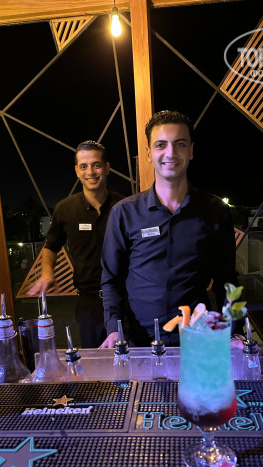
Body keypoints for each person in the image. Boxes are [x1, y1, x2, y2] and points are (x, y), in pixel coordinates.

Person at [100, 110, 239, 348]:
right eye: (161, 145)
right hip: (138, 342)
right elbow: (111, 280)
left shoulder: (215, 211)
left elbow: (227, 281)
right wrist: (114, 329)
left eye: (180, 144)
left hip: (197, 339)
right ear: (148, 153)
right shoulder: (124, 213)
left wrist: (233, 331)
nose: (171, 153)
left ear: (191, 150)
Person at [28, 141, 124, 347]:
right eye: (84, 166)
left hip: (124, 299)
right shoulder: (65, 209)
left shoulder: (124, 206)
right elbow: (51, 246)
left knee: (128, 356)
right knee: (94, 359)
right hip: (88, 302)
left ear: (107, 168)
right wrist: (47, 273)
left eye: (96, 165)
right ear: (77, 171)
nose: (90, 172)